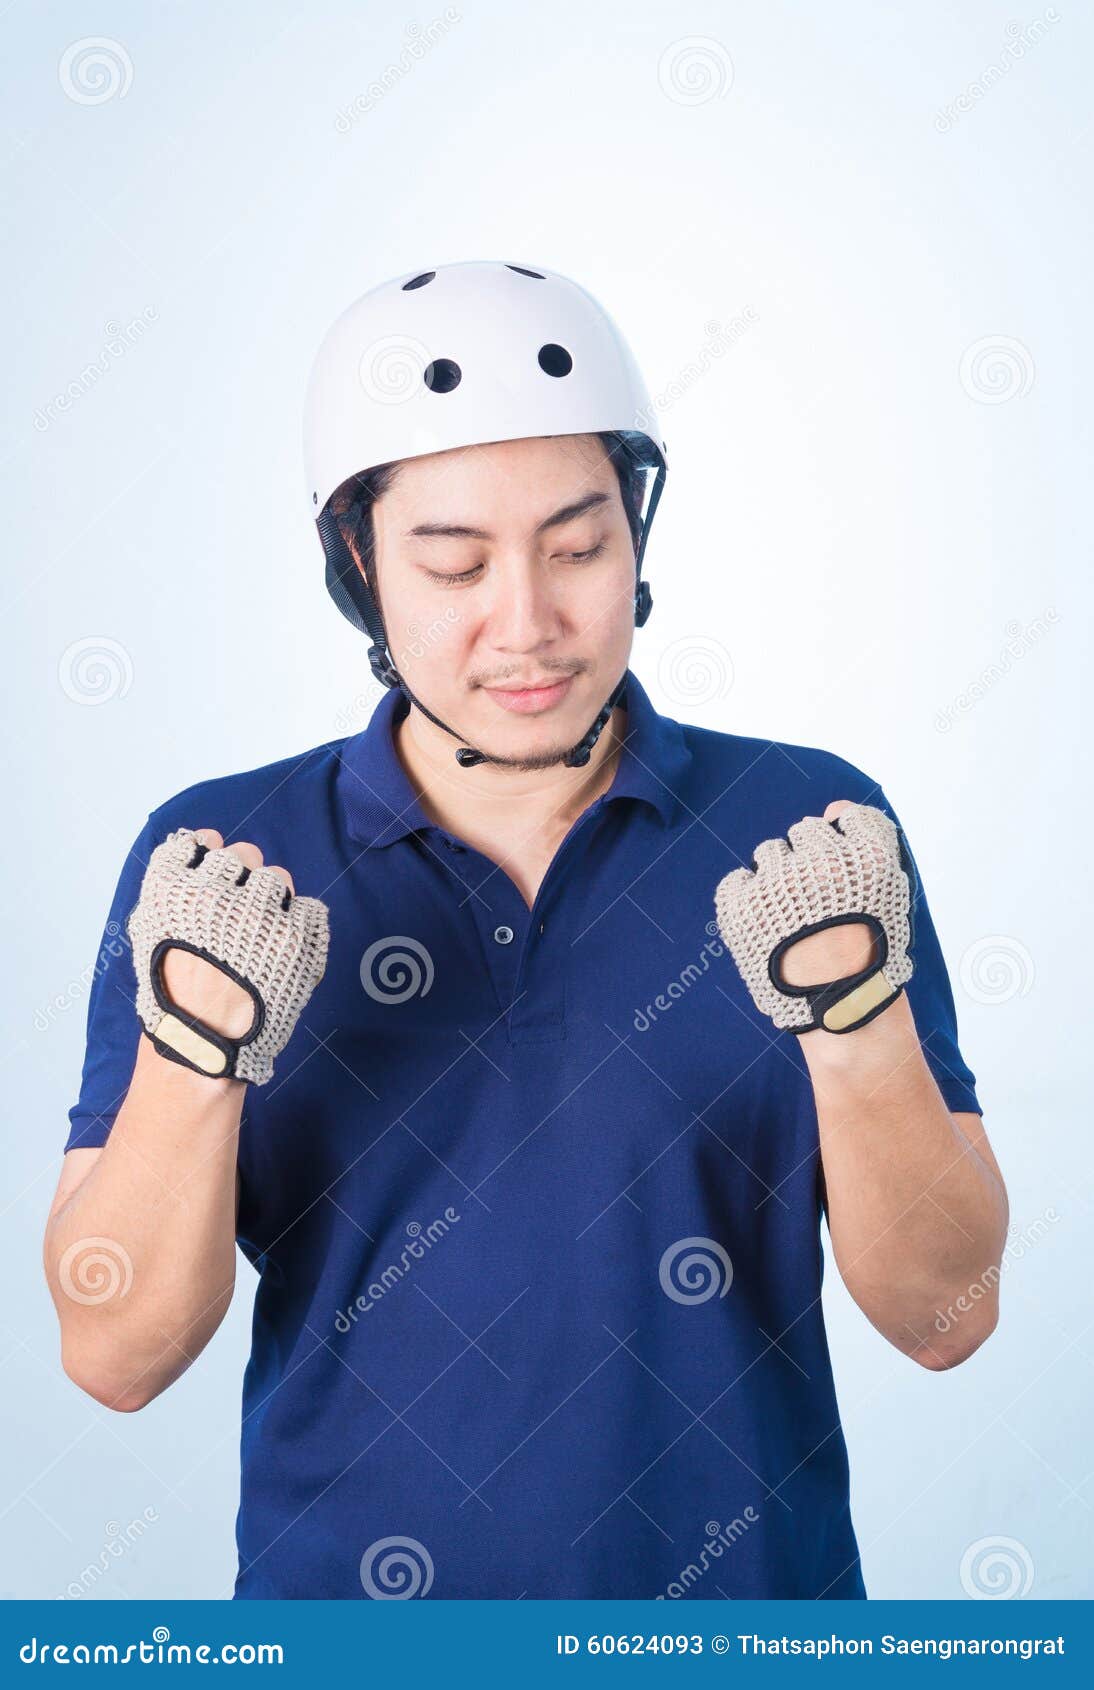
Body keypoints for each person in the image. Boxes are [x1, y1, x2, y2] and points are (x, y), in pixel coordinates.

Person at [43, 260, 1008, 1601]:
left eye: (576, 548)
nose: (529, 625)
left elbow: (946, 1318)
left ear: (636, 537)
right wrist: (200, 1049)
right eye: (452, 563)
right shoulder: (222, 861)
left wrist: (852, 1026)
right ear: (359, 567)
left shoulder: (808, 827)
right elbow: (116, 1356)